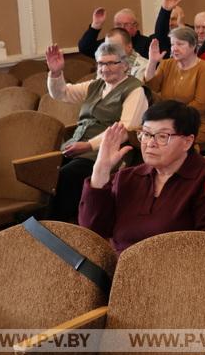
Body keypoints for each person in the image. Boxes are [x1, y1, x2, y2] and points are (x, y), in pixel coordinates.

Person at [78, 102, 205, 254]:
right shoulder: (127, 178)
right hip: (120, 272)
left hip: (178, 276)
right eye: (146, 134)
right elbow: (93, 233)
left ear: (187, 142)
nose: (150, 143)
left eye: (162, 136)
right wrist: (101, 170)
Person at [45, 42, 147, 222]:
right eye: (101, 64)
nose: (105, 69)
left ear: (124, 65)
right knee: (44, 170)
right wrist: (56, 73)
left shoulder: (135, 90)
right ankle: (45, 220)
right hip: (78, 146)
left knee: (67, 175)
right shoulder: (96, 85)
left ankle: (59, 225)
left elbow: (125, 130)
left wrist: (88, 145)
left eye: (111, 63)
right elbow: (62, 93)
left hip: (111, 152)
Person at [144, 28, 205, 149]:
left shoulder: (204, 68)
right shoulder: (167, 64)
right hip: (165, 120)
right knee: (148, 135)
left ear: (193, 45)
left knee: (171, 140)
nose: (174, 48)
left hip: (195, 122)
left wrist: (172, 120)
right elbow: (151, 88)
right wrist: (152, 62)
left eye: (180, 44)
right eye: (172, 44)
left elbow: (201, 104)